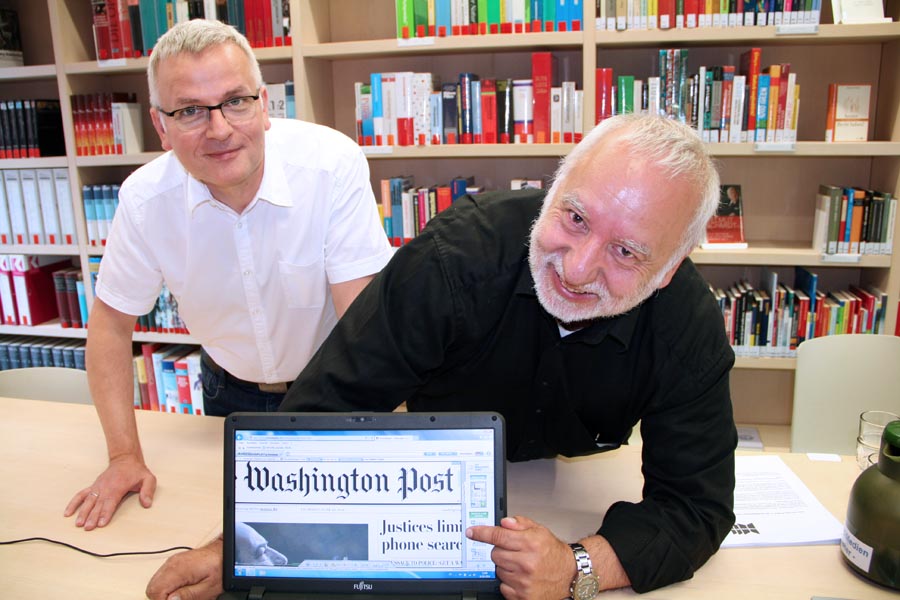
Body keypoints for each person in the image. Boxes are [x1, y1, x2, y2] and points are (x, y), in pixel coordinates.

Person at [145, 113, 737, 600]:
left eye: (627, 252)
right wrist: (240, 548)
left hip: (561, 495)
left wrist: (581, 567)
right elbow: (330, 405)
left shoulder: (686, 324)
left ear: (666, 272)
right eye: (574, 217)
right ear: (551, 190)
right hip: (436, 491)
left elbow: (695, 506)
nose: (578, 269)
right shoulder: (454, 257)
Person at [64, 19, 393, 532]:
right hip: (229, 393)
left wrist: (379, 434)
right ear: (160, 125)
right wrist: (123, 455)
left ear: (264, 105)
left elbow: (364, 321)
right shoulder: (145, 199)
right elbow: (109, 327)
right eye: (190, 111)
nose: (219, 129)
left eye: (236, 101)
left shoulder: (331, 165)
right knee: (231, 529)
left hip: (334, 383)